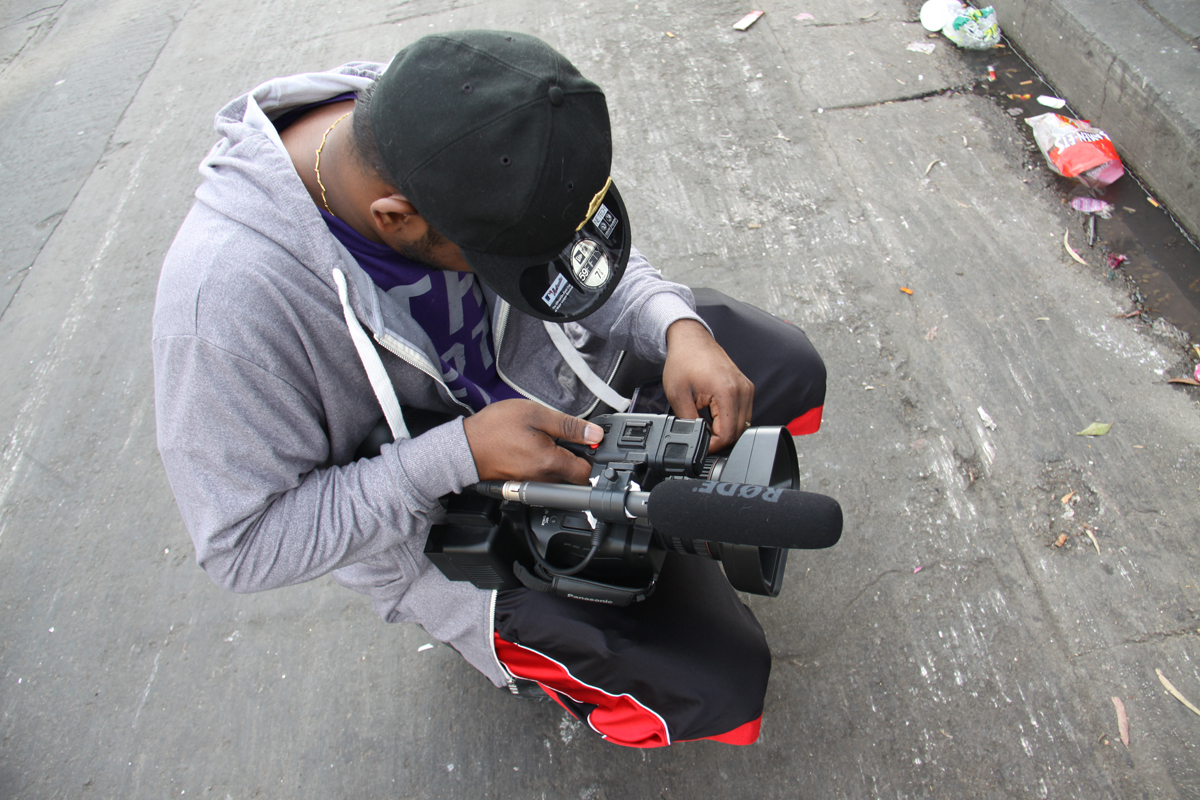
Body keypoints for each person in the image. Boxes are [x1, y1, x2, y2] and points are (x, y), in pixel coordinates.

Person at [153, 30, 826, 748]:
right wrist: (458, 455)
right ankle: (521, 642)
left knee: (781, 368)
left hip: (571, 383)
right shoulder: (224, 309)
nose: (539, 260)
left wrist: (675, 327)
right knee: (715, 686)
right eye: (508, 260)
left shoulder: (459, 119)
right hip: (457, 515)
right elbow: (243, 545)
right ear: (396, 218)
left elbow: (575, 251)